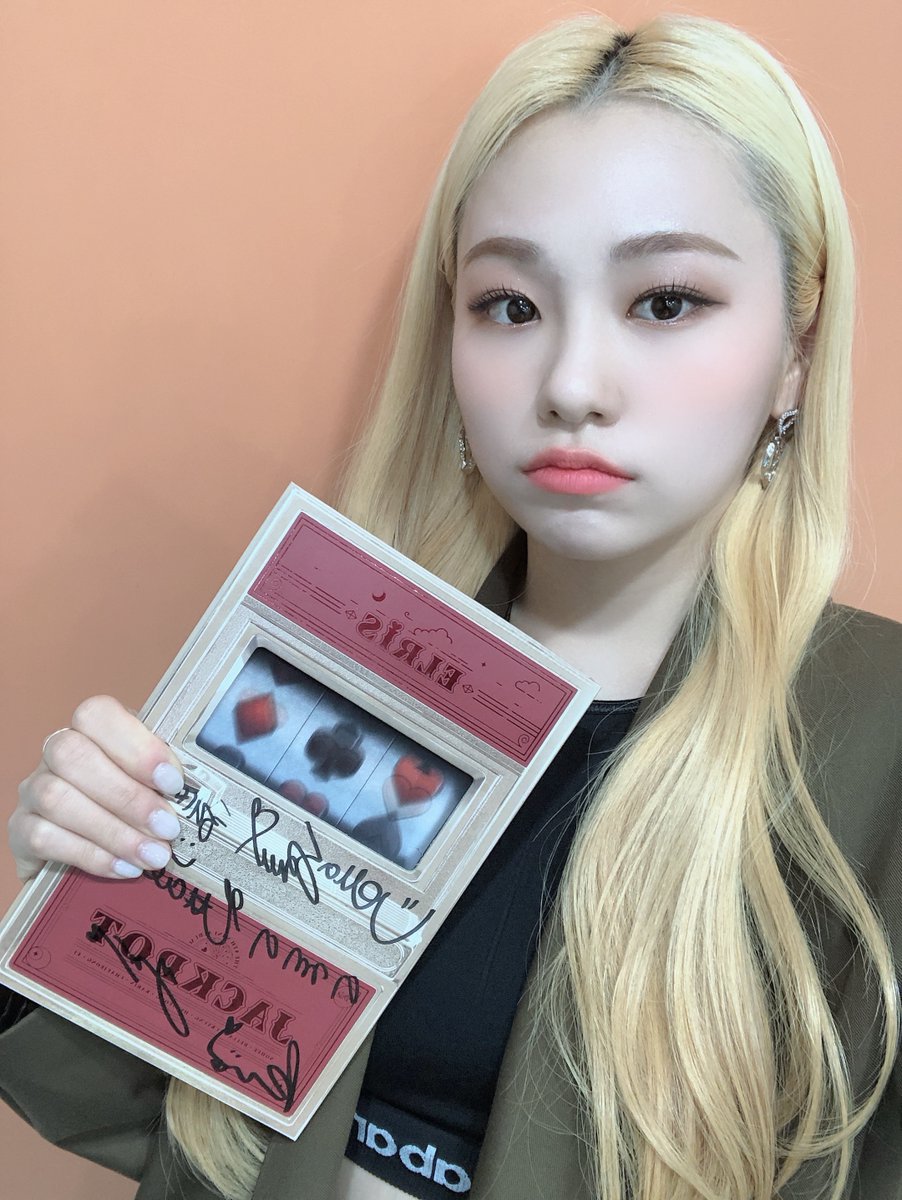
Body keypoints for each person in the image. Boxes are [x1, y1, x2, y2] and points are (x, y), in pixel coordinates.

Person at [2, 12, 900, 1200]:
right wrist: (90, 880)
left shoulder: (876, 741)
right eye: (509, 306)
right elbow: (165, 1123)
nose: (570, 385)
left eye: (664, 301)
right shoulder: (336, 675)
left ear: (794, 352)